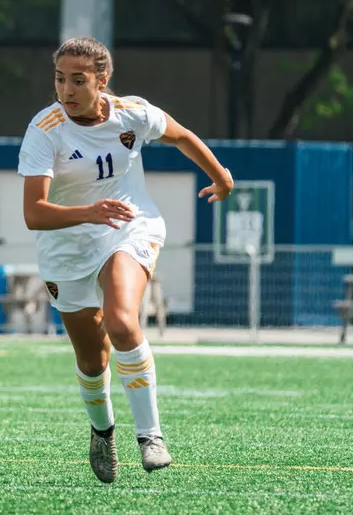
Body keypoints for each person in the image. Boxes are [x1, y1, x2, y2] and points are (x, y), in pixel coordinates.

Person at [18, 37, 233, 483]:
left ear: (102, 80)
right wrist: (87, 213)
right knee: (92, 360)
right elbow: (34, 214)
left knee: (121, 320)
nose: (67, 90)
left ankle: (150, 436)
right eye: (60, 79)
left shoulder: (133, 113)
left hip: (128, 227)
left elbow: (183, 137)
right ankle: (102, 430)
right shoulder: (45, 129)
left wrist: (221, 177)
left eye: (79, 80)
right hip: (65, 246)